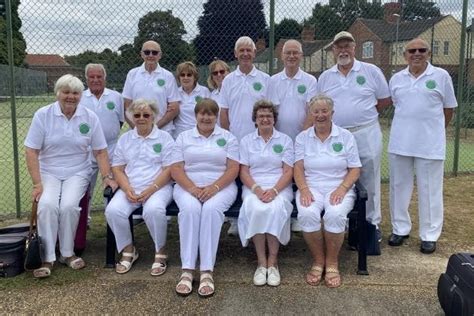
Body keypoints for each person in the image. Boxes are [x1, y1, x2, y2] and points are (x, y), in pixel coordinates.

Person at [24, 74, 117, 278]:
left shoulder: (89, 117)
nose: (70, 97)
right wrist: (37, 183)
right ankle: (47, 258)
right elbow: (31, 151)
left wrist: (107, 177)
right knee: (47, 205)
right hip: (48, 171)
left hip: (78, 170)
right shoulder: (43, 114)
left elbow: (100, 151)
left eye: (75, 93)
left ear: (80, 95)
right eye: (66, 92)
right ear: (58, 93)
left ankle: (67, 253)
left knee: (68, 206)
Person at [317, 31, 391, 247]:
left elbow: (384, 100)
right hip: (337, 134)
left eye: (347, 46)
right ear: (333, 51)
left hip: (366, 131)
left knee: (369, 177)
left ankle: (371, 225)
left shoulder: (371, 71)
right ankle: (347, 224)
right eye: (338, 47)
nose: (343, 50)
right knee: (340, 177)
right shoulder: (326, 76)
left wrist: (362, 113)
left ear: (354, 47)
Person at [387, 38, 457, 254]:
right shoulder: (396, 79)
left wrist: (434, 131)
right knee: (398, 188)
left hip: (430, 145)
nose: (416, 54)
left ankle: (429, 235)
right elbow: (398, 105)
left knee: (430, 191)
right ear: (405, 55)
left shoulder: (441, 76)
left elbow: (448, 109)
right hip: (400, 143)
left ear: (428, 53)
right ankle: (400, 228)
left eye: (422, 50)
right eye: (412, 50)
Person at [171, 98, 239, 297]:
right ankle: (187, 270)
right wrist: (192, 188)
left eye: (210, 113)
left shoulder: (228, 137)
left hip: (221, 186)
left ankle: (207, 270)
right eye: (202, 113)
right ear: (196, 116)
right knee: (190, 210)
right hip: (187, 186)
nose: (206, 117)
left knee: (210, 210)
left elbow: (233, 168)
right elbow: (176, 168)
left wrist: (214, 187)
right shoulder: (184, 137)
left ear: (216, 116)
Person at [294, 94, 361, 288]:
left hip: (339, 187)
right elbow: (298, 167)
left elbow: (355, 168)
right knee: (307, 214)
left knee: (335, 214)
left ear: (332, 113)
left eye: (325, 111)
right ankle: (318, 261)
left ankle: (332, 263)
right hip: (311, 187)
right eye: (316, 111)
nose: (320, 115)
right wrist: (304, 190)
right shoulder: (302, 138)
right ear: (310, 113)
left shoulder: (346, 136)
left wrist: (342, 188)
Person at [105, 99, 175, 275]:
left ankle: (160, 252)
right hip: (131, 187)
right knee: (113, 210)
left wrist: (151, 189)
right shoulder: (125, 139)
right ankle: (129, 250)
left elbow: (169, 169)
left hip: (159, 187)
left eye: (146, 115)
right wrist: (127, 189)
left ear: (153, 116)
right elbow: (117, 168)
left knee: (153, 210)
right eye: (137, 115)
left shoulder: (165, 138)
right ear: (131, 117)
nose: (141, 118)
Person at [238, 100, 294, 287]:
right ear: (255, 119)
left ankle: (273, 262)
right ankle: (261, 263)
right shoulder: (246, 141)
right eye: (261, 116)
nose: (265, 119)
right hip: (254, 187)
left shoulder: (285, 140)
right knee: (257, 208)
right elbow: (243, 171)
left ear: (274, 119)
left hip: (280, 187)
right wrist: (257, 190)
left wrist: (275, 191)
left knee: (275, 209)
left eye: (268, 116)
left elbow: (288, 171)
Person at [219, 36, 270, 236]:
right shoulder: (228, 80)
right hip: (235, 138)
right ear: (235, 54)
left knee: (254, 175)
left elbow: (269, 111)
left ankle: (259, 215)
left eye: (249, 50)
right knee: (235, 176)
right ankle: (234, 219)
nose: (246, 53)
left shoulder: (265, 79)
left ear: (254, 53)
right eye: (242, 50)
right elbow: (224, 111)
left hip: (258, 139)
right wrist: (228, 137)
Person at [268, 39, 318, 232]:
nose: (291, 56)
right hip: (280, 139)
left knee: (302, 174)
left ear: (301, 56)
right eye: (287, 53)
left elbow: (310, 111)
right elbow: (274, 111)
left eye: (295, 53)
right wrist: (278, 138)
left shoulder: (310, 81)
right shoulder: (274, 81)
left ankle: (299, 214)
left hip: (303, 138)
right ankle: (284, 217)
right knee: (281, 174)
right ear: (281, 56)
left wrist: (300, 137)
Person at [81, 63, 124, 222]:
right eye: (91, 77)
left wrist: (107, 135)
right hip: (87, 150)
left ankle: (112, 219)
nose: (95, 80)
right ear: (86, 79)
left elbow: (120, 121)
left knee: (112, 184)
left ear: (104, 78)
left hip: (111, 148)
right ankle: (84, 220)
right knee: (85, 187)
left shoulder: (116, 97)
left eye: (99, 77)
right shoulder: (80, 97)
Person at [122, 40, 180, 134]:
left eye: (154, 52)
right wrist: (137, 128)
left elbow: (174, 108)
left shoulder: (168, 76)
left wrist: (155, 128)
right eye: (147, 52)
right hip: (137, 131)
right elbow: (127, 105)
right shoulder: (132, 74)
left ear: (160, 55)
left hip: (163, 130)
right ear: (141, 54)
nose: (151, 55)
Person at [173, 61, 211, 138]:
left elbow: (211, 113)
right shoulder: (175, 92)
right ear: (178, 78)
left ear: (195, 77)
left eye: (189, 75)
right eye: (182, 75)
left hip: (200, 134)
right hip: (179, 135)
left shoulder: (204, 91)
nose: (185, 77)